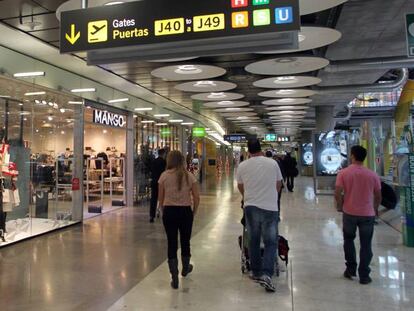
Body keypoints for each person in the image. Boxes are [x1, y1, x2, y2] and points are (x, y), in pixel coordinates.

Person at [236, 139, 283, 293]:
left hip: (251, 207)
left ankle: (256, 272)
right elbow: (278, 184)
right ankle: (267, 273)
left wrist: (247, 197)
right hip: (270, 207)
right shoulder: (272, 164)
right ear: (261, 149)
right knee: (270, 241)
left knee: (254, 240)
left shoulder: (243, 166)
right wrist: (270, 196)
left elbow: (240, 186)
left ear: (248, 151)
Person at [335, 145, 382, 285]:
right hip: (367, 214)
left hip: (349, 212)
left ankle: (350, 269)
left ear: (353, 156)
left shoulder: (343, 173)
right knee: (366, 244)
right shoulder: (372, 174)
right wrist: (375, 208)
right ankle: (364, 275)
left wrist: (339, 205)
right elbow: (378, 195)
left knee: (348, 240)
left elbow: (338, 192)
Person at [158, 150, 200, 289]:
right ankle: (185, 268)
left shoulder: (164, 176)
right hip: (185, 211)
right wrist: (193, 212)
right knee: (185, 241)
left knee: (171, 242)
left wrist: (163, 211)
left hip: (169, 211)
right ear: (182, 160)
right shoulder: (189, 176)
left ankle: (174, 276)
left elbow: (161, 197)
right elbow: (196, 196)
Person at [149, 148, 167, 223]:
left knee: (153, 199)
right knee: (163, 198)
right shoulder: (164, 162)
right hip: (162, 182)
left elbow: (151, 171)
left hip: (154, 182)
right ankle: (163, 213)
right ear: (163, 154)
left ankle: (151, 216)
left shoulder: (154, 161)